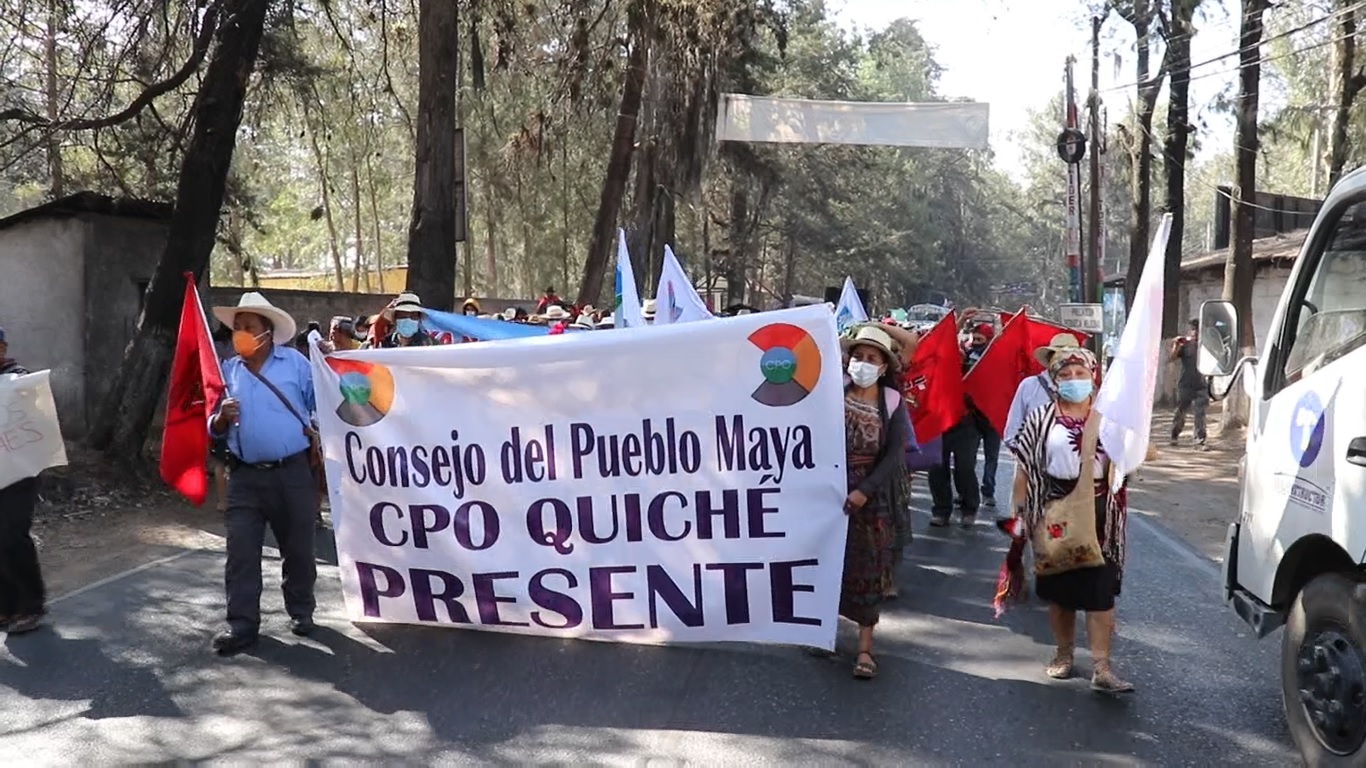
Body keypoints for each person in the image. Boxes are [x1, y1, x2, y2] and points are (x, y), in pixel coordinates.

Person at [1009, 342, 1134, 693]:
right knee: (1062, 593)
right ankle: (1064, 655)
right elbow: (1024, 469)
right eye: (1065, 375)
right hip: (1055, 512)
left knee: (1100, 594)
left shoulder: (1110, 419)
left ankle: (1102, 667)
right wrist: (1021, 514)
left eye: (1081, 373)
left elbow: (1127, 462)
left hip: (1100, 516)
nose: (1074, 379)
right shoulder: (1041, 418)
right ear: (1054, 380)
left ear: (1093, 376)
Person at [208, 293, 319, 655]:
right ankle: (241, 625)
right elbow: (213, 427)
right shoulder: (229, 372)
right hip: (245, 478)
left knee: (298, 548)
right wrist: (220, 418)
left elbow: (323, 405)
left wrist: (315, 427)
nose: (240, 333)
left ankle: (301, 609)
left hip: (292, 473)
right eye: (236, 327)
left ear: (266, 333)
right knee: (241, 551)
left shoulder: (297, 365)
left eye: (248, 327)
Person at [836, 324, 909, 679]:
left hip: (871, 496)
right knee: (827, 565)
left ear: (884, 367)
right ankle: (819, 632)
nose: (863, 363)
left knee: (868, 569)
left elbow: (895, 453)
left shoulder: (892, 402)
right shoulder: (832, 391)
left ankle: (865, 649)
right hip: (829, 493)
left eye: (872, 359)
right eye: (858, 356)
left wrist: (865, 490)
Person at [0, 325, 46, 634]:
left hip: (20, 472)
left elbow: (38, 421)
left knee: (12, 536)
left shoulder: (19, 379)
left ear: (2, 348)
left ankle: (32, 606)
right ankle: (6, 607)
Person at [965, 323, 1002, 508]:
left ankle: (988, 492)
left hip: (992, 415)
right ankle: (966, 491)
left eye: (981, 340)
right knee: (967, 457)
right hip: (972, 415)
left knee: (991, 456)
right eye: (975, 339)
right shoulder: (967, 355)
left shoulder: (997, 358)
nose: (976, 343)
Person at [1170, 319, 1209, 449]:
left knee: (1200, 412)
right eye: (1193, 329)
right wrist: (1176, 345)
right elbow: (1172, 358)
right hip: (1185, 384)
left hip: (1201, 384)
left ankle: (1199, 439)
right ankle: (1174, 435)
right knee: (1181, 411)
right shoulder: (1185, 345)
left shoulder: (1206, 346)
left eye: (1198, 330)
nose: (1195, 332)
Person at [368, 292, 435, 348]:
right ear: (394, 319)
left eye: (413, 316)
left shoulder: (432, 346)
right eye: (403, 316)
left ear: (419, 319)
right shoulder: (383, 345)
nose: (408, 320)